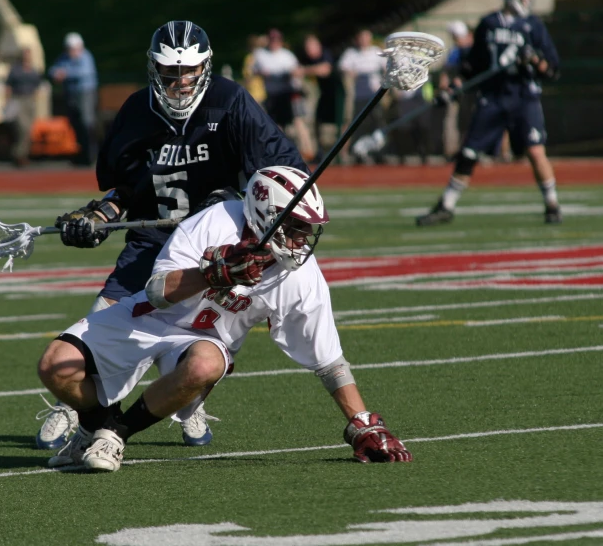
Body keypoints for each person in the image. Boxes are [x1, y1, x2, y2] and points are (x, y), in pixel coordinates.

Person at [34, 21, 308, 451]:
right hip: (149, 243)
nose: (179, 83)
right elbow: (124, 190)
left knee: (203, 344)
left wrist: (234, 198)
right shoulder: (135, 112)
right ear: (153, 70)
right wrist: (98, 216)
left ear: (205, 68)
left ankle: (188, 401)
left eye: (188, 72)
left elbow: (285, 174)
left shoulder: (230, 102)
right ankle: (76, 411)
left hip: (211, 251)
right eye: (169, 73)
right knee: (91, 335)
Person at [37, 165, 413, 471]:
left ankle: (114, 435)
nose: (303, 239)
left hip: (203, 339)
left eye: (307, 229)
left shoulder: (301, 275)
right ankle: (94, 427)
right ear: (267, 215)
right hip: (148, 317)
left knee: (205, 365)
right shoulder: (213, 222)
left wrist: (361, 422)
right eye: (296, 226)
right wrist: (214, 275)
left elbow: (328, 359)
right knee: (55, 366)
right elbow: (157, 291)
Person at [417, 0, 561, 226]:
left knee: (535, 151)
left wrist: (534, 60)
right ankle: (446, 205)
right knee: (469, 152)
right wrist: (452, 89)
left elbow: (552, 70)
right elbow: (473, 66)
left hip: (524, 97)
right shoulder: (489, 23)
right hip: (493, 97)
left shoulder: (534, 25)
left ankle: (552, 205)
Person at [252, 29, 315, 161]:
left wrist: (290, 74)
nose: (274, 43)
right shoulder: (261, 55)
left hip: (289, 93)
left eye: (277, 40)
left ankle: (308, 150)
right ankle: (279, 152)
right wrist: (264, 73)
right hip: (273, 95)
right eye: (272, 40)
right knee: (276, 124)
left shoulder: (287, 55)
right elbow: (255, 71)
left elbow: (298, 71)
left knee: (298, 121)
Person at [48, 32, 99, 166]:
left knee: (86, 122)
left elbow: (85, 72)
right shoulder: (64, 57)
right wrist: (56, 74)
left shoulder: (86, 56)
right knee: (75, 123)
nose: (71, 52)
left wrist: (65, 74)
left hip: (85, 93)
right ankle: (81, 154)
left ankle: (91, 155)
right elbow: (53, 70)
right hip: (70, 94)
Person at [338, 29, 387, 164]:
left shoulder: (376, 51)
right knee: (359, 125)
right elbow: (342, 67)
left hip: (375, 96)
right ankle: (358, 152)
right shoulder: (352, 53)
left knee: (377, 123)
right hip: (359, 97)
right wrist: (351, 72)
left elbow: (386, 67)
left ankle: (378, 152)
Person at [298, 34, 339, 163]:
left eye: (311, 46)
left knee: (333, 128)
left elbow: (324, 69)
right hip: (320, 98)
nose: (309, 49)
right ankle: (318, 154)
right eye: (307, 47)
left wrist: (306, 70)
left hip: (335, 96)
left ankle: (336, 155)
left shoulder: (325, 54)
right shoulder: (306, 58)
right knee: (314, 126)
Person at [438, 21, 474, 159]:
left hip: (473, 92)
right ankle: (452, 151)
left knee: (472, 120)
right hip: (457, 93)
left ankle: (470, 149)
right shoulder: (455, 52)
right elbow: (446, 71)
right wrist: (447, 82)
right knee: (452, 121)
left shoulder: (474, 50)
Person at [4, 47, 42, 167]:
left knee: (29, 129)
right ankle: (19, 154)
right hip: (18, 99)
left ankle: (21, 154)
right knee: (22, 128)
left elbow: (37, 86)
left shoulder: (33, 70)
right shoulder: (15, 70)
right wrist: (8, 101)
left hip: (29, 100)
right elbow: (8, 86)